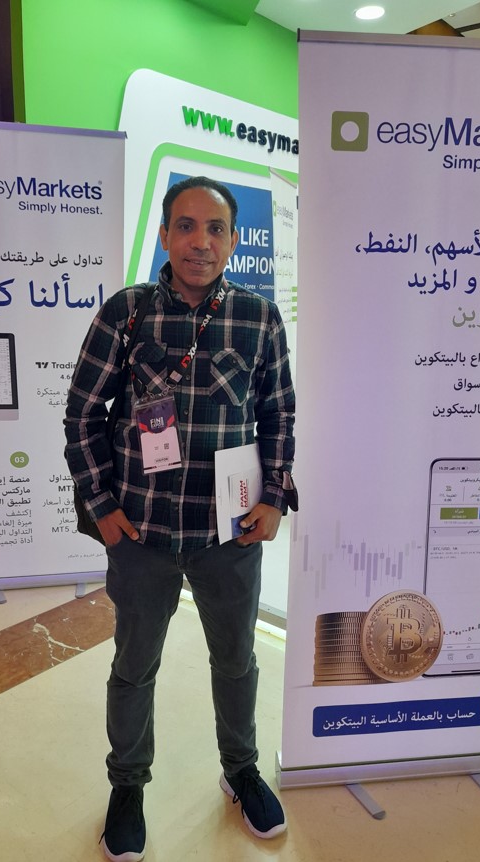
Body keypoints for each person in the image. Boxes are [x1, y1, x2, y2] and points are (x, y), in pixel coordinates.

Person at [64, 176, 296, 861]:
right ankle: (127, 786)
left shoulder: (259, 319)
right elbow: (82, 414)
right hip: (142, 534)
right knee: (134, 666)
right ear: (165, 235)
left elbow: (279, 414)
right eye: (186, 226)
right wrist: (102, 508)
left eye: (215, 228)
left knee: (237, 661)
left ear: (234, 240)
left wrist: (275, 496)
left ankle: (241, 771)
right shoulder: (127, 313)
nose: (201, 242)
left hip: (230, 534)